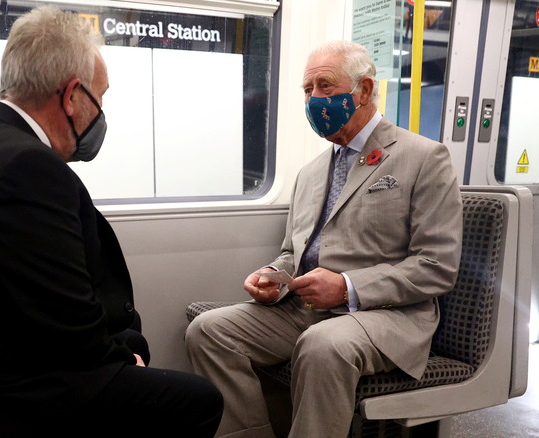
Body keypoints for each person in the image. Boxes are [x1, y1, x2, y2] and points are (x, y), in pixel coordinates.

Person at [0, 7, 222, 437]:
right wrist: (117, 360)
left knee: (132, 344)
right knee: (199, 401)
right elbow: (66, 321)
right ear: (72, 94)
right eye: (101, 97)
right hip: (5, 391)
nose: (101, 113)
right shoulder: (26, 167)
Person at [185, 40, 463, 438]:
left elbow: (437, 266)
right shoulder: (311, 172)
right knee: (210, 332)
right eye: (307, 90)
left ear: (364, 91)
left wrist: (347, 287)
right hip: (305, 309)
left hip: (387, 315)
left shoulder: (423, 157)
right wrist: (273, 274)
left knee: (322, 344)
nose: (314, 99)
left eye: (325, 86)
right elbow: (292, 252)